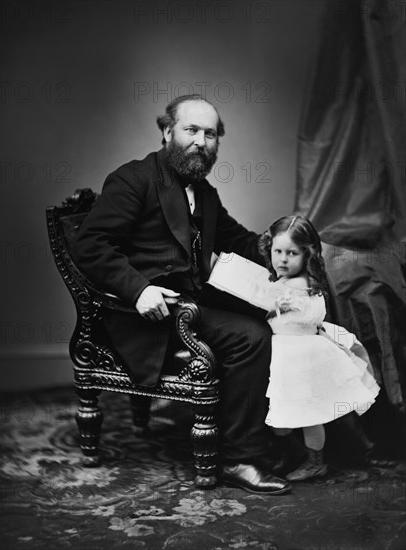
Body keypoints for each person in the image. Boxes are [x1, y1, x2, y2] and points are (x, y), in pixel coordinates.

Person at [74, 94, 291, 495]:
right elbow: (90, 245)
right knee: (251, 338)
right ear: (167, 131)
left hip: (190, 303)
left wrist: (283, 254)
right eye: (191, 130)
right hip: (144, 314)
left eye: (210, 134)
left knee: (271, 317)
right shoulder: (133, 179)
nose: (200, 141)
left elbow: (237, 238)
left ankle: (266, 435)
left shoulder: (202, 190)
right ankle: (238, 459)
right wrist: (138, 289)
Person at [258, 215, 381, 481]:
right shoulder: (279, 282)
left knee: (309, 415)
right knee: (282, 414)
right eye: (277, 251)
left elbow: (312, 314)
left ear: (307, 253)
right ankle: (291, 452)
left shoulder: (305, 285)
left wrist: (279, 306)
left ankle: (316, 462)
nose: (283, 259)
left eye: (292, 253)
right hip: (281, 356)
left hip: (302, 357)